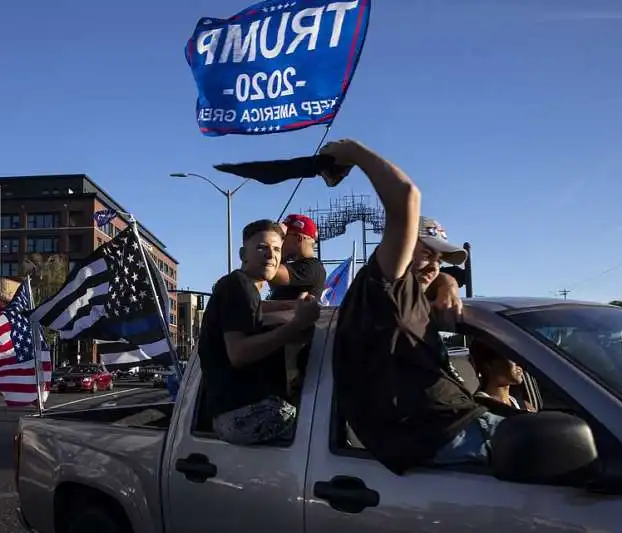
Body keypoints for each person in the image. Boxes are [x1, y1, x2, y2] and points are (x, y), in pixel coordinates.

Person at [327, 138, 502, 474]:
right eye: (426, 253)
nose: (434, 265)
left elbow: (435, 276)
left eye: (439, 258)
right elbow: (407, 196)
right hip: (439, 437)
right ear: (403, 245)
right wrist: (351, 152)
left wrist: (446, 281)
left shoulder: (410, 294)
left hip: (457, 425)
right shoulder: (384, 285)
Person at [198, 219, 321, 445]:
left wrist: (297, 307)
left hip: (233, 413)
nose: (271, 255)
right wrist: (296, 325)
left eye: (276, 249)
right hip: (241, 414)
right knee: (320, 432)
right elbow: (239, 354)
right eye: (262, 248)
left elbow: (258, 309)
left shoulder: (243, 288)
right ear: (243, 254)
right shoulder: (239, 286)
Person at [268, 214, 327, 301]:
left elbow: (268, 271)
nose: (279, 240)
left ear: (298, 238)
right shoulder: (295, 267)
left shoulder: (312, 268)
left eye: (283, 236)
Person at [469, 339, 536, 412]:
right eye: (512, 357)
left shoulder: (525, 406)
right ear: (489, 365)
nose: (519, 363)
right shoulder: (479, 409)